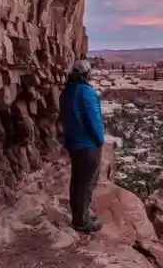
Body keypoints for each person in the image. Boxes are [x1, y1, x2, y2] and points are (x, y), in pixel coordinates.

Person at [59, 59, 105, 232]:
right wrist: (100, 141)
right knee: (87, 182)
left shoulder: (66, 92)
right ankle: (82, 221)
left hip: (73, 144)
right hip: (88, 145)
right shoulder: (86, 92)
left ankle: (79, 215)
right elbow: (94, 121)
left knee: (77, 181)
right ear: (86, 74)